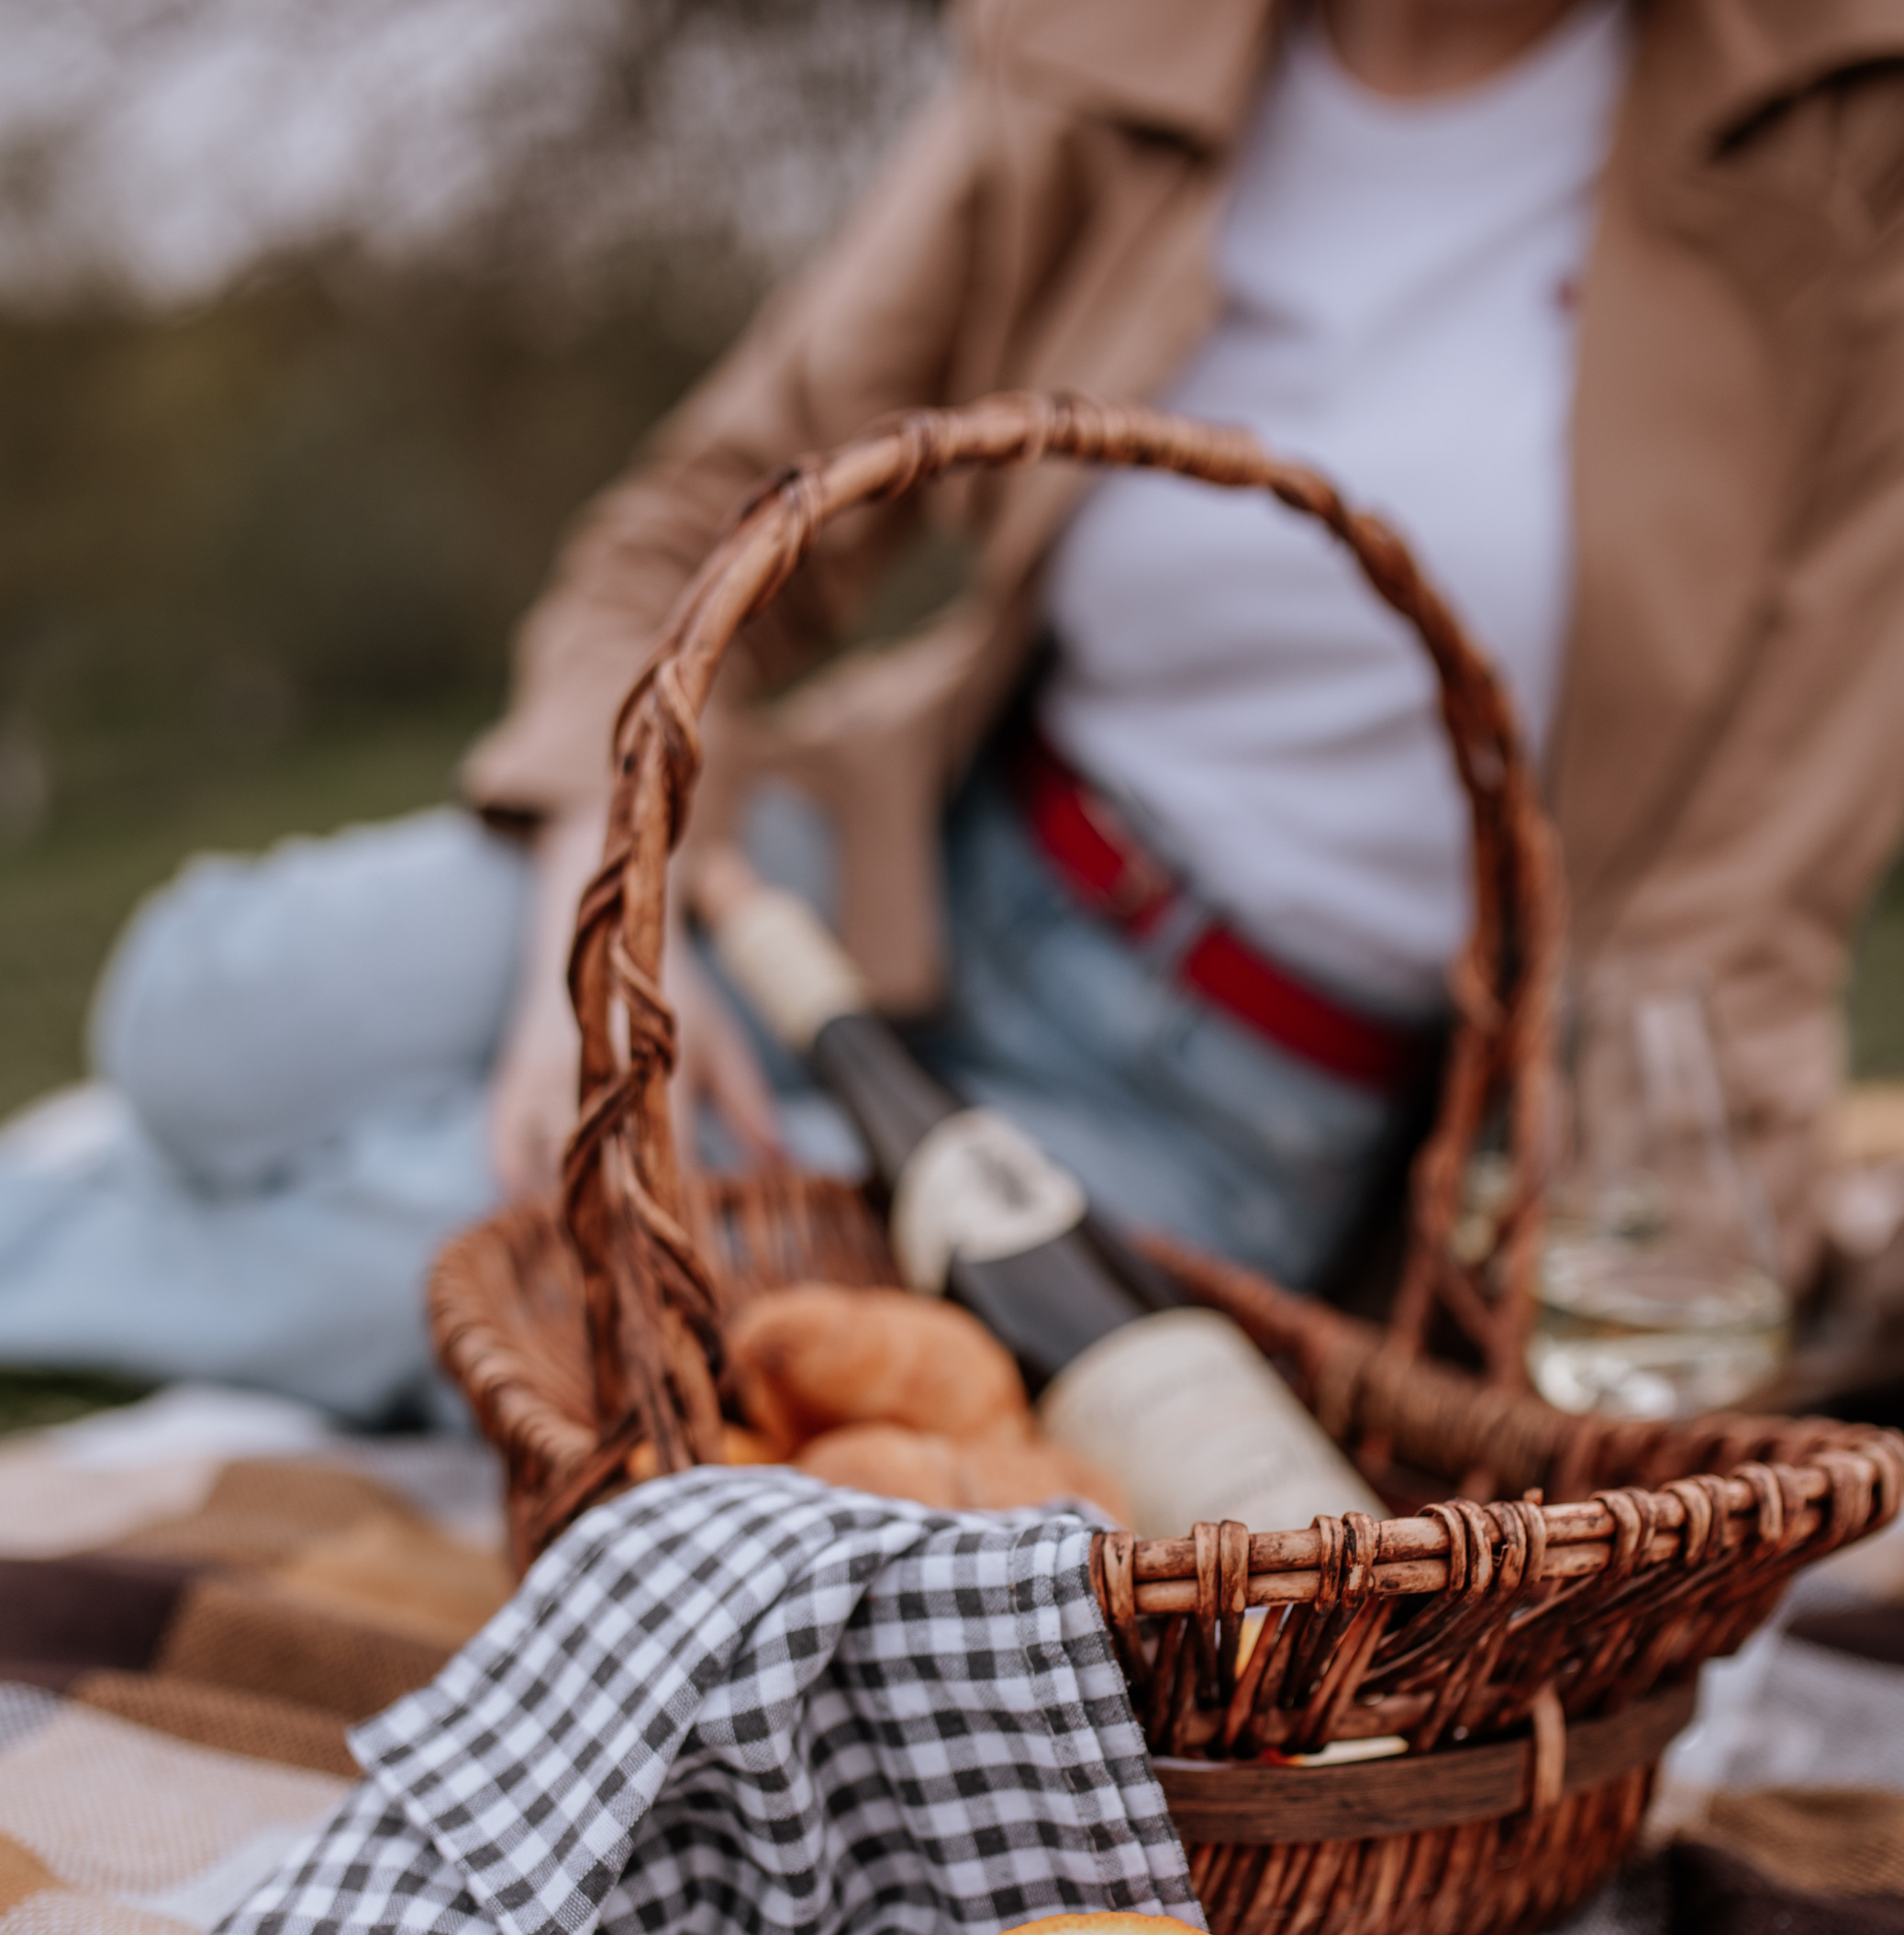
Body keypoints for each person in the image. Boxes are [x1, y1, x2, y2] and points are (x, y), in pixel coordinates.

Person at [4, 0, 1903, 1420]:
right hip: (892, 861)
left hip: (1219, 1119)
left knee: (439, 1269)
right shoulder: (1116, 61)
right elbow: (710, 508)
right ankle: (212, 1128)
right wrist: (609, 881)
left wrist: (1685, 1282)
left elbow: (1740, 899)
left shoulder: (1838, 140)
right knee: (203, 1015)